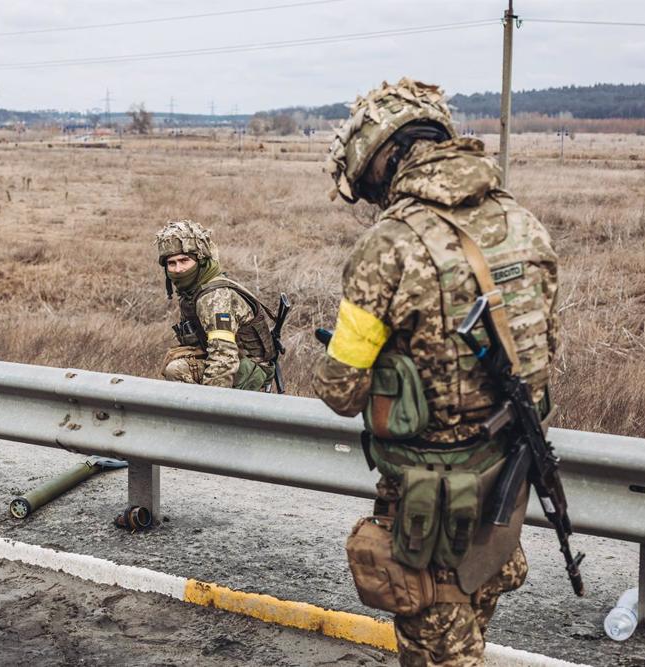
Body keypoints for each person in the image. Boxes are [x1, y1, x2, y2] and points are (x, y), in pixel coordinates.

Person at [314, 78, 559, 666]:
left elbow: (340, 390)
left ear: (381, 161)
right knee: (469, 634)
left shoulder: (389, 246)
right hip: (502, 481)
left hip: (430, 499)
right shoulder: (524, 224)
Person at [155, 220, 276, 391]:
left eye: (184, 260)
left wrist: (212, 407)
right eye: (171, 263)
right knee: (175, 358)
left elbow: (225, 358)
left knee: (177, 370)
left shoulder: (214, 298)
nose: (178, 269)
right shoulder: (193, 290)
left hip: (250, 370)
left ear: (200, 260)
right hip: (238, 361)